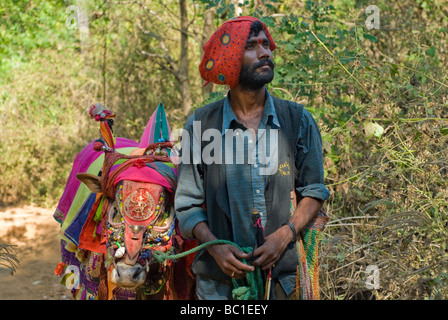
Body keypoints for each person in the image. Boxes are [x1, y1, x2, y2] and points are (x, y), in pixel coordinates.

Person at [175, 16, 330, 300]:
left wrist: (284, 236)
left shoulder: (297, 121)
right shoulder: (199, 126)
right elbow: (187, 206)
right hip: (218, 288)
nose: (265, 52)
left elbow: (314, 191)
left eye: (265, 45)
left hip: (283, 284)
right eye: (251, 46)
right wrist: (214, 247)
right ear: (229, 59)